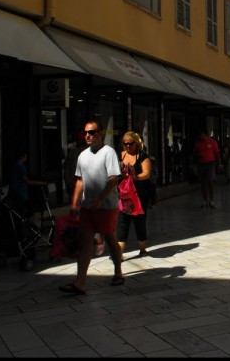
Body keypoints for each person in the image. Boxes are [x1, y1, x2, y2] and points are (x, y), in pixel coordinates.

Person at [59, 120, 123, 295]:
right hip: (88, 207)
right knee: (85, 242)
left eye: (92, 132)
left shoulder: (108, 152)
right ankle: (79, 283)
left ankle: (118, 272)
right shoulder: (82, 155)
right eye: (86, 132)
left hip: (106, 207)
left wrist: (100, 200)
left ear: (100, 133)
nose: (88, 135)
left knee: (110, 240)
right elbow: (80, 180)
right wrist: (74, 203)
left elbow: (113, 180)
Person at [118, 131, 152, 258]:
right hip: (124, 196)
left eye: (130, 144)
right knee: (123, 223)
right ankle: (119, 254)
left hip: (139, 196)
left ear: (136, 144)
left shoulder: (143, 156)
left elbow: (147, 173)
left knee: (140, 222)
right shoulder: (120, 155)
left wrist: (135, 177)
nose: (127, 146)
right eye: (125, 144)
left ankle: (142, 249)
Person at [8, 149, 48, 222]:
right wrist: (41, 183)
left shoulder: (14, 166)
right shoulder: (21, 167)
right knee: (30, 212)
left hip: (14, 193)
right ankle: (30, 228)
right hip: (21, 194)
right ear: (23, 156)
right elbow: (27, 181)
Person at [193, 130, 223, 208]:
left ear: (205, 134)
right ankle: (205, 200)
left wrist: (219, 163)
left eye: (201, 134)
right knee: (203, 183)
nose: (200, 136)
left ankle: (211, 200)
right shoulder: (198, 143)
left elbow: (217, 153)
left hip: (211, 164)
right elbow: (194, 154)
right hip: (201, 164)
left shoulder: (212, 142)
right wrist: (195, 163)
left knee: (210, 181)